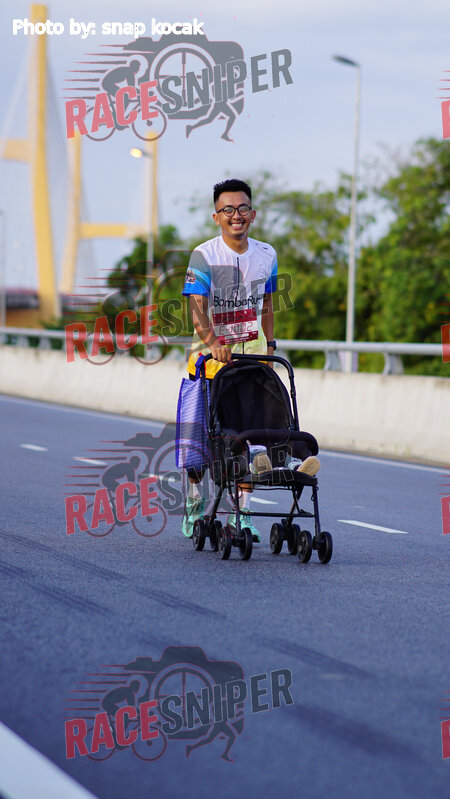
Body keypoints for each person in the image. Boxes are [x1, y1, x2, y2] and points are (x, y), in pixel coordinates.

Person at [180, 179, 320, 542]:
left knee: (250, 433)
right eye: (227, 209)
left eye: (242, 208)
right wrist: (214, 342)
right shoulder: (204, 255)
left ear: (253, 214)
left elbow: (268, 304)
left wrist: (269, 346)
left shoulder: (266, 254)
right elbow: (197, 308)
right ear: (216, 217)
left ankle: (242, 516)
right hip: (210, 361)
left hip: (252, 358)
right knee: (200, 443)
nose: (236, 215)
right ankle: (194, 502)